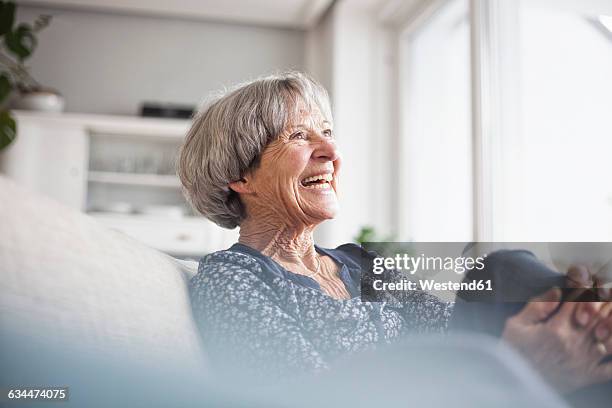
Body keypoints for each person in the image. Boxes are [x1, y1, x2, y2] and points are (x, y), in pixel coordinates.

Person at [178, 71, 612, 396]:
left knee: (504, 271)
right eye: (298, 135)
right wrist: (516, 365)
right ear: (240, 176)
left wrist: (548, 322)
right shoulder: (233, 277)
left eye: (327, 133)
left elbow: (455, 329)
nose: (331, 151)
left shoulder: (362, 264)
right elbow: (301, 396)